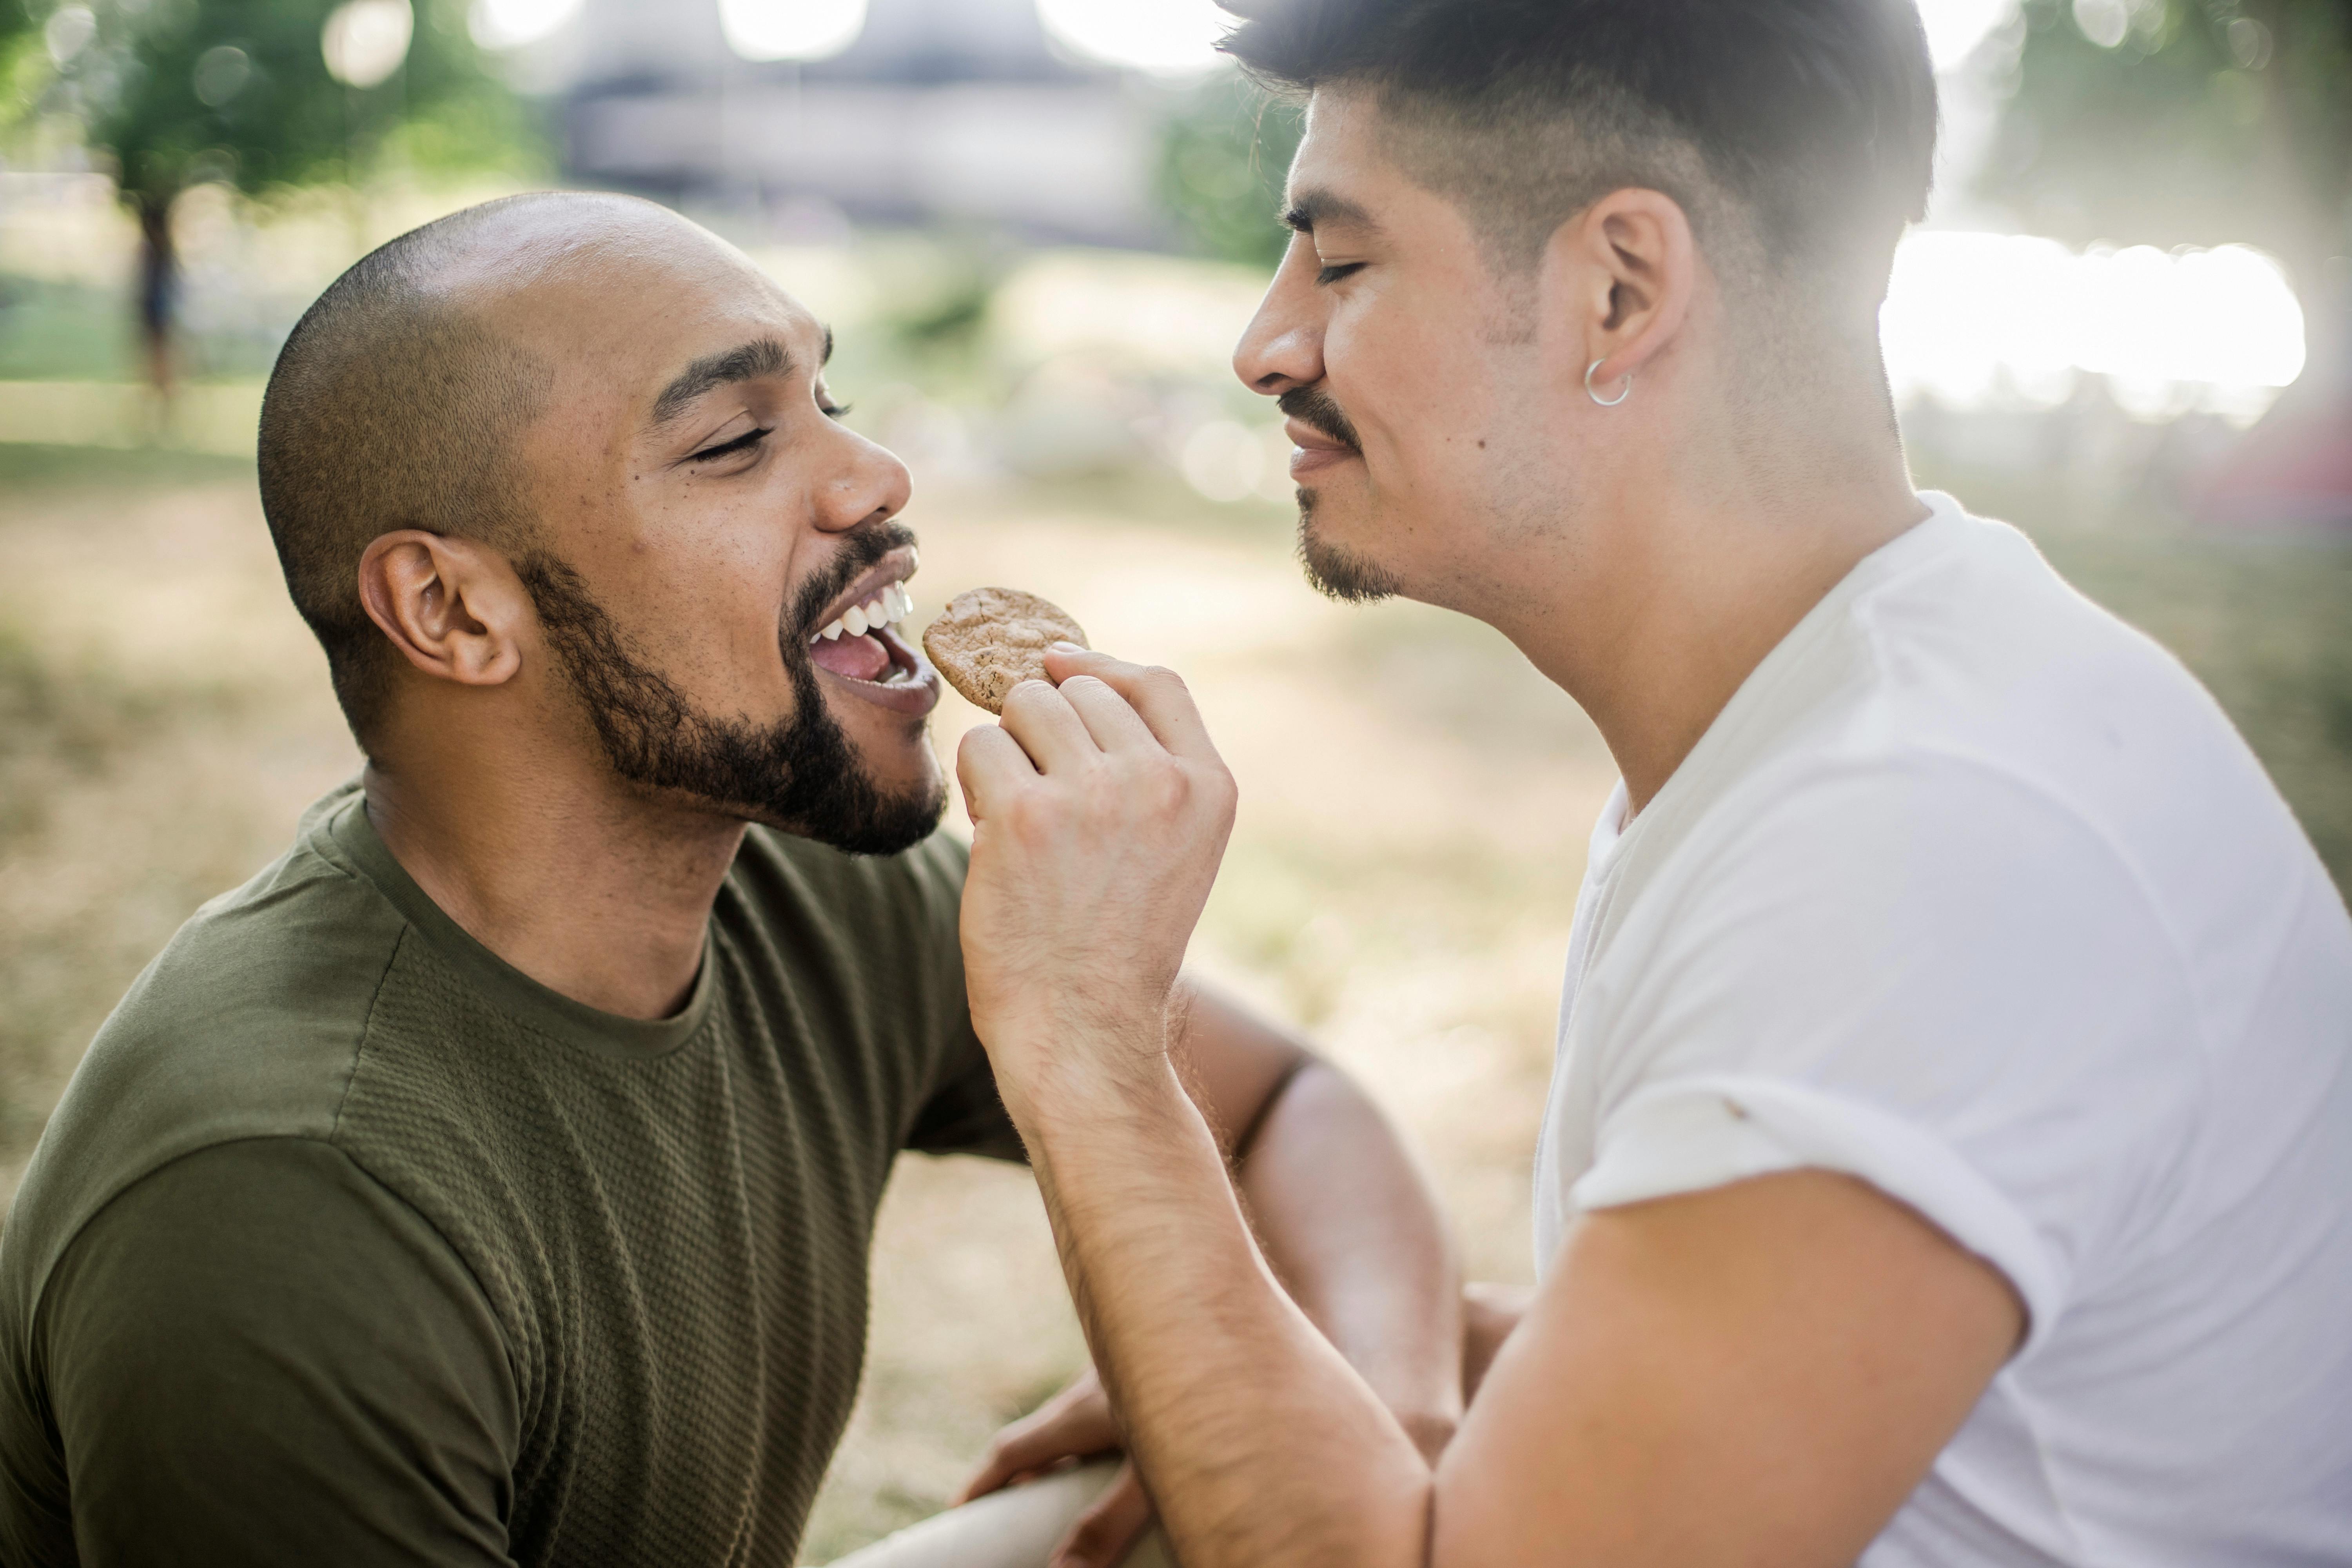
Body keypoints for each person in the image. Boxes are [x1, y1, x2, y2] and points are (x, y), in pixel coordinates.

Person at [942, 1, 2352, 1565]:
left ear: (1618, 291)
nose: (1266, 344)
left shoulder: (1927, 842)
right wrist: (1356, 1370)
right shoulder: (1850, 727)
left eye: (1339, 261)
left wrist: (1084, 1042)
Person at [0, 192, 1466, 1566]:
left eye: (826, 400)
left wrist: (1346, 1415)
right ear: (451, 610)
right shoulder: (289, 1206)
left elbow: (1291, 1105)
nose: (878, 478)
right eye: (732, 444)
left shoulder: (793, 888)